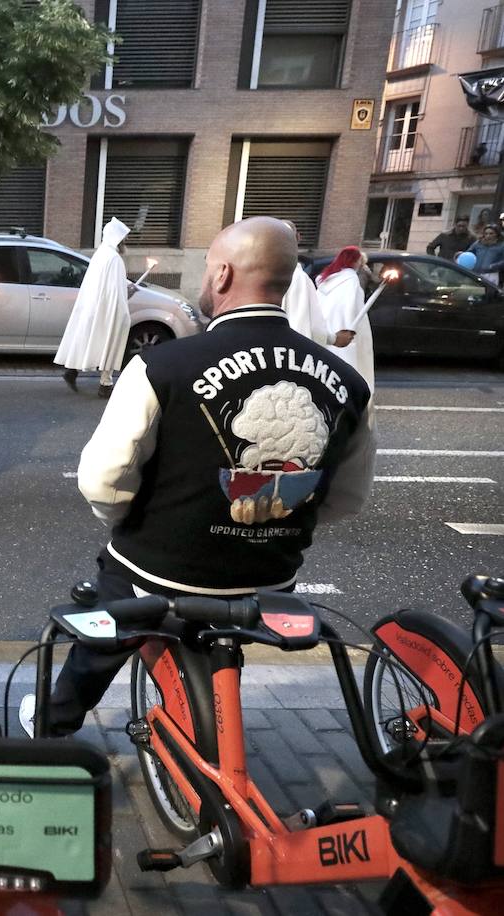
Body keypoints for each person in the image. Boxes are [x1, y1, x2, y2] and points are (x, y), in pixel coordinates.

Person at [30, 217, 375, 737]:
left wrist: (131, 522)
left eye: (208, 269)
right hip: (270, 577)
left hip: (160, 571)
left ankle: (54, 722)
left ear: (222, 275)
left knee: (103, 632)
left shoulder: (162, 365)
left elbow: (103, 480)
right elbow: (346, 496)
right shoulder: (348, 379)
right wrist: (274, 521)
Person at [55, 217, 132, 398]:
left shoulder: (101, 253)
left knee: (88, 340)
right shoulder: (114, 259)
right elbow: (114, 290)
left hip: (93, 306)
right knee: (108, 343)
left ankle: (73, 371)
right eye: (124, 239)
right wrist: (123, 308)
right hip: (106, 310)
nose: (125, 243)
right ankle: (105, 384)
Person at [279, 220, 352, 349]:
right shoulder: (297, 278)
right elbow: (304, 325)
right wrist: (334, 338)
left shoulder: (254, 274)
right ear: (298, 238)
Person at [316, 246, 375, 392]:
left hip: (325, 328)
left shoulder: (327, 278)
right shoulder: (351, 281)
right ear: (356, 261)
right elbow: (351, 308)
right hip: (344, 329)